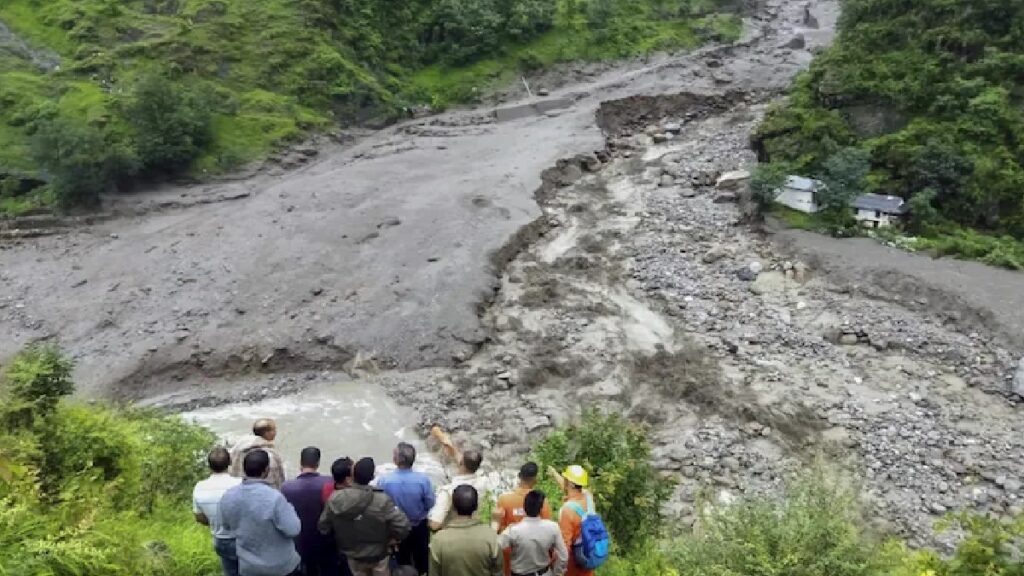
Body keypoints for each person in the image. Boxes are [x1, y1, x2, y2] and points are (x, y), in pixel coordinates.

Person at [319, 457, 411, 576]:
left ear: (352, 476)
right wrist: (393, 539)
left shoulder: (335, 498)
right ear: (371, 477)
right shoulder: (382, 500)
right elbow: (404, 526)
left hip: (352, 555)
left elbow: (323, 527)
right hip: (379, 555)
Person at [220, 450, 302, 576]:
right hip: (280, 567)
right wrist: (290, 508)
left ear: (244, 469)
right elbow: (293, 529)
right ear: (266, 470)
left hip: (249, 568)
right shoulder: (275, 498)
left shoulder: (228, 496)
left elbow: (227, 527)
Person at [377, 443, 436, 575]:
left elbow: (382, 504)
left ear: (395, 460)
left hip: (396, 528)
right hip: (418, 525)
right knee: (422, 557)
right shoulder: (423, 480)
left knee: (402, 559)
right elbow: (430, 502)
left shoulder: (385, 480)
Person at [281, 447, 336, 576]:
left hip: (299, 540)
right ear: (318, 463)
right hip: (325, 539)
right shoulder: (330, 482)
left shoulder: (286, 487)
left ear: (300, 462)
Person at [428, 427, 494, 531]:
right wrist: (443, 439)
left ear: (461, 464)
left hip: (453, 532)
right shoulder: (484, 481)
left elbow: (435, 524)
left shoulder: (448, 492)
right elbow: (457, 456)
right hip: (474, 527)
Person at [494, 463, 552, 576]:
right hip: (534, 555)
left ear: (519, 476)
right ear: (535, 479)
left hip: (510, 555)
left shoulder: (504, 500)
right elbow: (547, 530)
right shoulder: (542, 502)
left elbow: (497, 527)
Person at [428, 485, 501, 576]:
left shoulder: (439, 540)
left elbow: (434, 573)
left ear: (453, 507)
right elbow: (498, 571)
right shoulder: (490, 536)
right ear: (476, 507)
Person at [193, 447, 243, 576]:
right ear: (230, 462)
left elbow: (199, 517)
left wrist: (214, 521)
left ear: (209, 466)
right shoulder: (240, 484)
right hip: (242, 537)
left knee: (230, 572)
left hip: (220, 539)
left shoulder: (200, 487)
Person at [497, 491, 567, 576]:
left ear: (524, 508)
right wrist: (557, 573)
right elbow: (563, 556)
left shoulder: (513, 531)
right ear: (541, 509)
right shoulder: (552, 527)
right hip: (545, 573)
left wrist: (496, 523)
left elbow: (495, 546)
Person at [556, 466, 595, 576]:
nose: (564, 481)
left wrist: (557, 570)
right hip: (589, 558)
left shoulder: (567, 511)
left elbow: (564, 547)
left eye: (566, 479)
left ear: (571, 484)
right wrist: (555, 474)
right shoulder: (588, 497)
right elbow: (574, 490)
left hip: (574, 566)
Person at [230, 418, 286, 489]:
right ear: (267, 433)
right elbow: (278, 478)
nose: (276, 432)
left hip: (243, 487)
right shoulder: (270, 454)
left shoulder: (240, 446)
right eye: (274, 430)